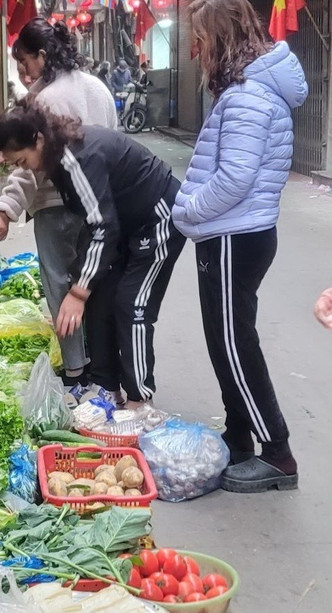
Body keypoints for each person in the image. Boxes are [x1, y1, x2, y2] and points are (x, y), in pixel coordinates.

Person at [173, 0, 307, 493]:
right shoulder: (244, 90)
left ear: (223, 37)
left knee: (233, 343)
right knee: (224, 340)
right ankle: (239, 435)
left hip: (234, 233)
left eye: (203, 39)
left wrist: (186, 212)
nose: (197, 50)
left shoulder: (249, 96)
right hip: (234, 233)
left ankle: (277, 452)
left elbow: (234, 179)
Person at [0, 101, 185, 409]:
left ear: (38, 139)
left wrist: (78, 292)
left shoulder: (74, 158)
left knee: (131, 304)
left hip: (156, 217)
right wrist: (84, 289)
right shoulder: (54, 157)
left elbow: (103, 227)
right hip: (124, 225)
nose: (24, 168)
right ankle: (107, 386)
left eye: (22, 160)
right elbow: (103, 224)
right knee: (101, 296)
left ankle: (139, 400)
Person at [0, 17, 117, 393]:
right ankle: (102, 365)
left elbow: (29, 168)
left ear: (42, 56)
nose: (24, 73)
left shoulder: (43, 99)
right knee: (92, 282)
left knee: (62, 287)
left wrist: (5, 209)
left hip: (57, 204)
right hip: (100, 206)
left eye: (24, 63)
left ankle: (76, 371)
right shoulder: (98, 88)